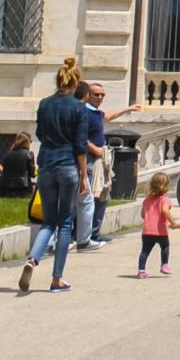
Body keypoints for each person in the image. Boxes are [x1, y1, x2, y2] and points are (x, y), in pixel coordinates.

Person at [21, 58, 92, 294]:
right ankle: (56, 279)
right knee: (64, 223)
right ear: (75, 83)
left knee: (48, 221)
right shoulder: (78, 108)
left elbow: (40, 133)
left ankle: (32, 258)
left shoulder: (44, 104)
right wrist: (84, 175)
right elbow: (80, 145)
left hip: (46, 165)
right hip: (68, 166)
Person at [77, 82, 113, 248]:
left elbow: (109, 116)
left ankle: (95, 233)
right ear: (87, 96)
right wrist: (95, 149)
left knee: (103, 195)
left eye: (102, 95)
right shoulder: (84, 112)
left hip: (99, 160)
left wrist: (128, 110)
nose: (100, 97)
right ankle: (85, 235)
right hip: (90, 160)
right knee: (90, 197)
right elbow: (81, 137)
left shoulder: (97, 113)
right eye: (96, 94)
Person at [138, 171, 175, 278]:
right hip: (161, 231)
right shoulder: (165, 200)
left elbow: (143, 215)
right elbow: (165, 211)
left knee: (144, 251)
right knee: (165, 246)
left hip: (147, 231)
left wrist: (150, 218)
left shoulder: (146, 200)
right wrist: (173, 222)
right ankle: (164, 265)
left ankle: (141, 270)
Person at [0, 132, 37, 198]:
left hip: (6, 189)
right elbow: (32, 174)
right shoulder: (29, 154)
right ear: (27, 142)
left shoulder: (8, 154)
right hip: (23, 189)